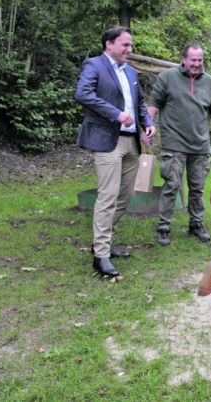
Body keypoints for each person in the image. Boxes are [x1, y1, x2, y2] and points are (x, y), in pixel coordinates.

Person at [75, 26, 156, 278]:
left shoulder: (131, 72)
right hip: (107, 140)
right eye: (125, 45)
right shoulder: (94, 65)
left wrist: (148, 124)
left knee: (125, 195)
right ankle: (100, 256)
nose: (130, 50)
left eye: (131, 45)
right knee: (107, 197)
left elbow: (140, 104)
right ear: (109, 44)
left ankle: (104, 241)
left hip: (131, 142)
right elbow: (83, 93)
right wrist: (115, 113)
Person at [147, 44, 211, 246]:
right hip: (174, 144)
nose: (197, 64)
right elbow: (154, 103)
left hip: (200, 146)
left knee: (197, 188)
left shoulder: (210, 82)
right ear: (184, 59)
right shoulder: (168, 77)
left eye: (200, 60)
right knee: (171, 186)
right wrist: (147, 128)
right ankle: (164, 227)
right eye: (193, 60)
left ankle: (196, 224)